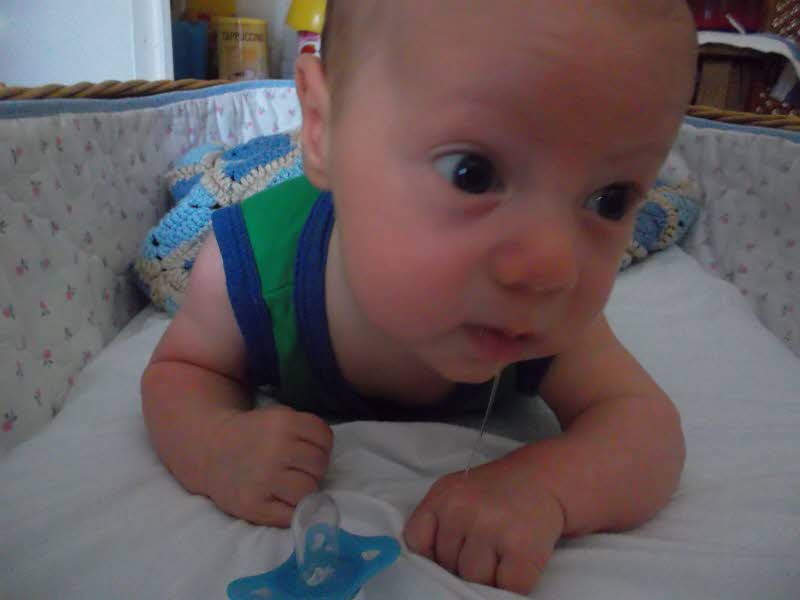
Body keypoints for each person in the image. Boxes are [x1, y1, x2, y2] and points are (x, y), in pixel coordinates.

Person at [141, 0, 698, 593]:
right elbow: (180, 371)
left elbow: (644, 428)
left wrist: (548, 486)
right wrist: (214, 444)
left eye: (609, 200)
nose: (552, 266)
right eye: (472, 173)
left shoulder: (545, 315)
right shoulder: (248, 267)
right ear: (322, 129)